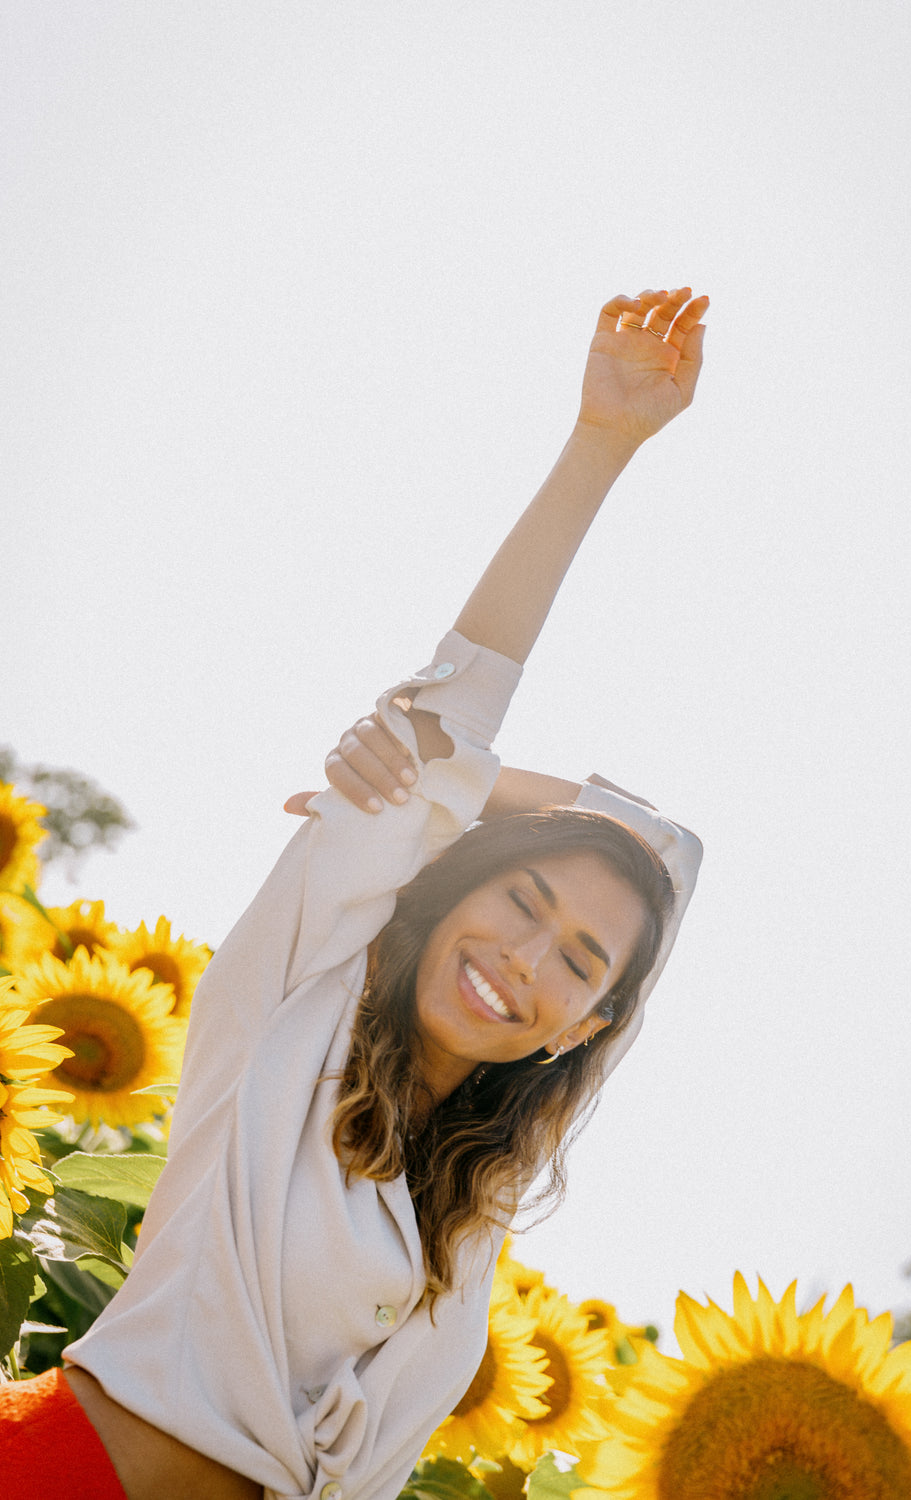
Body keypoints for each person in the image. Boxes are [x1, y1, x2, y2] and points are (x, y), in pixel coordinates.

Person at [2, 285, 708, 1499]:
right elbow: (453, 707)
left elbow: (682, 852)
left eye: (582, 961)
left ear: (588, 1025)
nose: (530, 958)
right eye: (524, 901)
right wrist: (601, 446)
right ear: (451, 895)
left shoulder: (468, 1214)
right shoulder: (302, 999)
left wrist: (462, 783)